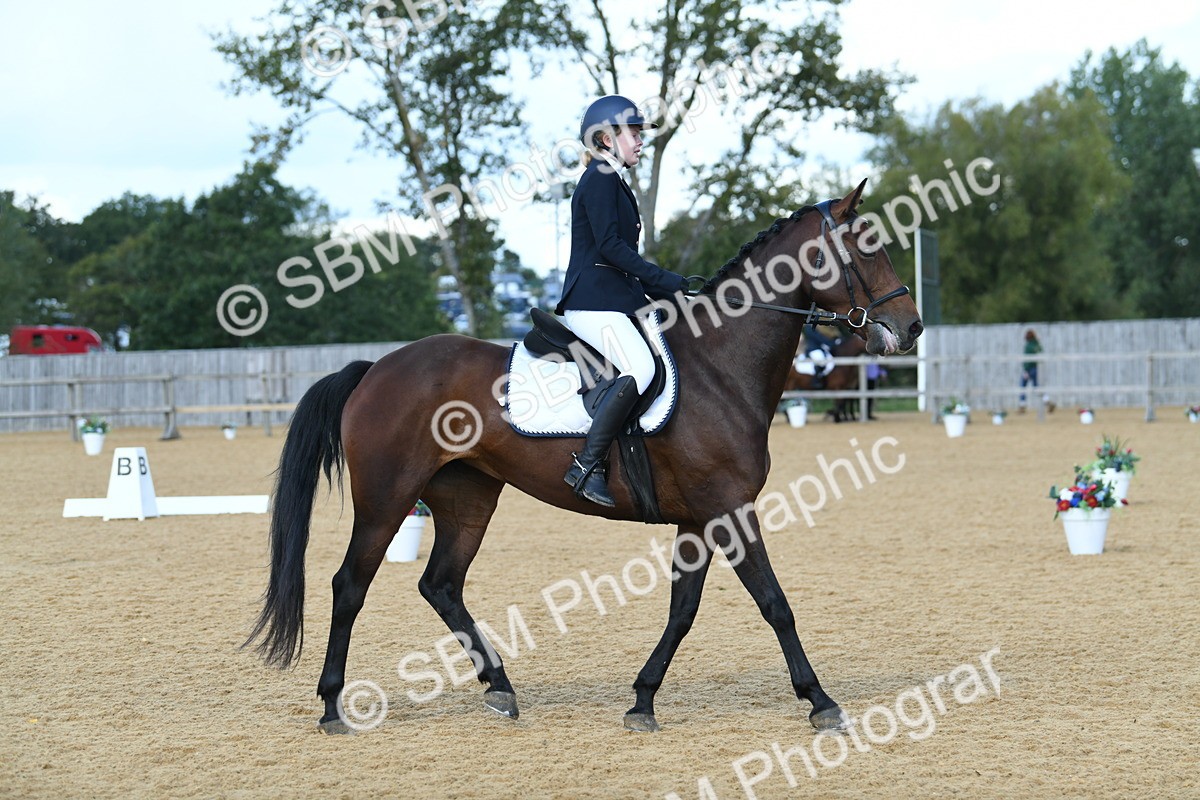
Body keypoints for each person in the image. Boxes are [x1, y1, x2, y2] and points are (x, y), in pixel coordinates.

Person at [555, 95, 691, 507]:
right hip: (592, 302)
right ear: (606, 138)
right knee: (641, 366)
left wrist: (674, 293)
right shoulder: (599, 176)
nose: (639, 141)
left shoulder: (613, 179)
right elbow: (612, 249)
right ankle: (587, 465)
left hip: (614, 299)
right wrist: (665, 280)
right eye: (633, 133)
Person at [1019, 328, 1053, 412]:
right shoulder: (1037, 345)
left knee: (1022, 387)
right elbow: (1041, 354)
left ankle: (1022, 405)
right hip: (1036, 368)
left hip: (1029, 369)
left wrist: (1026, 370)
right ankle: (1047, 400)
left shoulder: (1028, 346)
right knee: (1037, 387)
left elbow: (1027, 359)